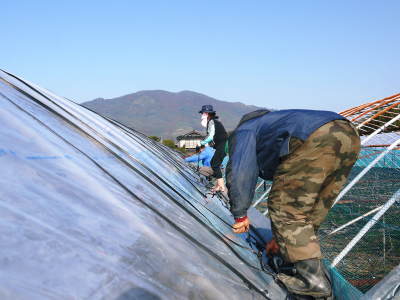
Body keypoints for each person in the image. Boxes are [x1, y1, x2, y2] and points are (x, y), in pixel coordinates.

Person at [226, 109, 360, 298]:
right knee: (313, 205)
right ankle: (307, 269)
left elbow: (241, 171)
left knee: (284, 207)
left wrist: (240, 214)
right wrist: (282, 241)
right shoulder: (278, 122)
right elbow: (308, 211)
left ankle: (312, 281)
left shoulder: (247, 129)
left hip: (314, 136)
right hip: (349, 133)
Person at [198, 105, 228, 192]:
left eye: (203, 113)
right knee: (215, 163)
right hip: (222, 145)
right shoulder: (213, 122)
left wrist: (202, 143)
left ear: (207, 114)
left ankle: (221, 186)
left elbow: (211, 136)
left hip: (223, 145)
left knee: (214, 164)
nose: (202, 116)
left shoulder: (212, 122)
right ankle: (219, 185)